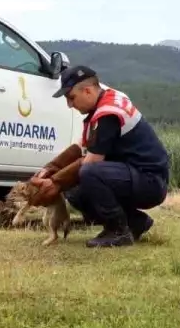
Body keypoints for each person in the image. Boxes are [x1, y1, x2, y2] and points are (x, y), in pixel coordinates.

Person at [32, 65, 170, 248]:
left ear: (87, 91)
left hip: (149, 181)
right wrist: (49, 169)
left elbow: (90, 162)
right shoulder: (104, 100)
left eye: (71, 98)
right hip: (136, 176)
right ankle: (135, 223)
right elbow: (80, 147)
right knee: (74, 190)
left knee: (88, 174)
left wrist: (55, 183)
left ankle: (118, 232)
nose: (70, 105)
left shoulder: (108, 113)